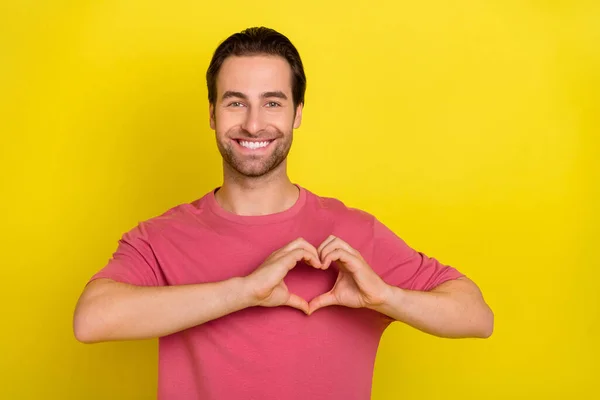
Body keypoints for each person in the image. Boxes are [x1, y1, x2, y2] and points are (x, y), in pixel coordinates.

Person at [73, 26, 494, 400]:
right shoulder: (161, 236)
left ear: (297, 114)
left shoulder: (352, 233)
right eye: (236, 103)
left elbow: (475, 315)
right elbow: (92, 320)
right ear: (212, 113)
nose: (254, 125)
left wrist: (385, 297)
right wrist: (242, 291)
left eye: (272, 103)